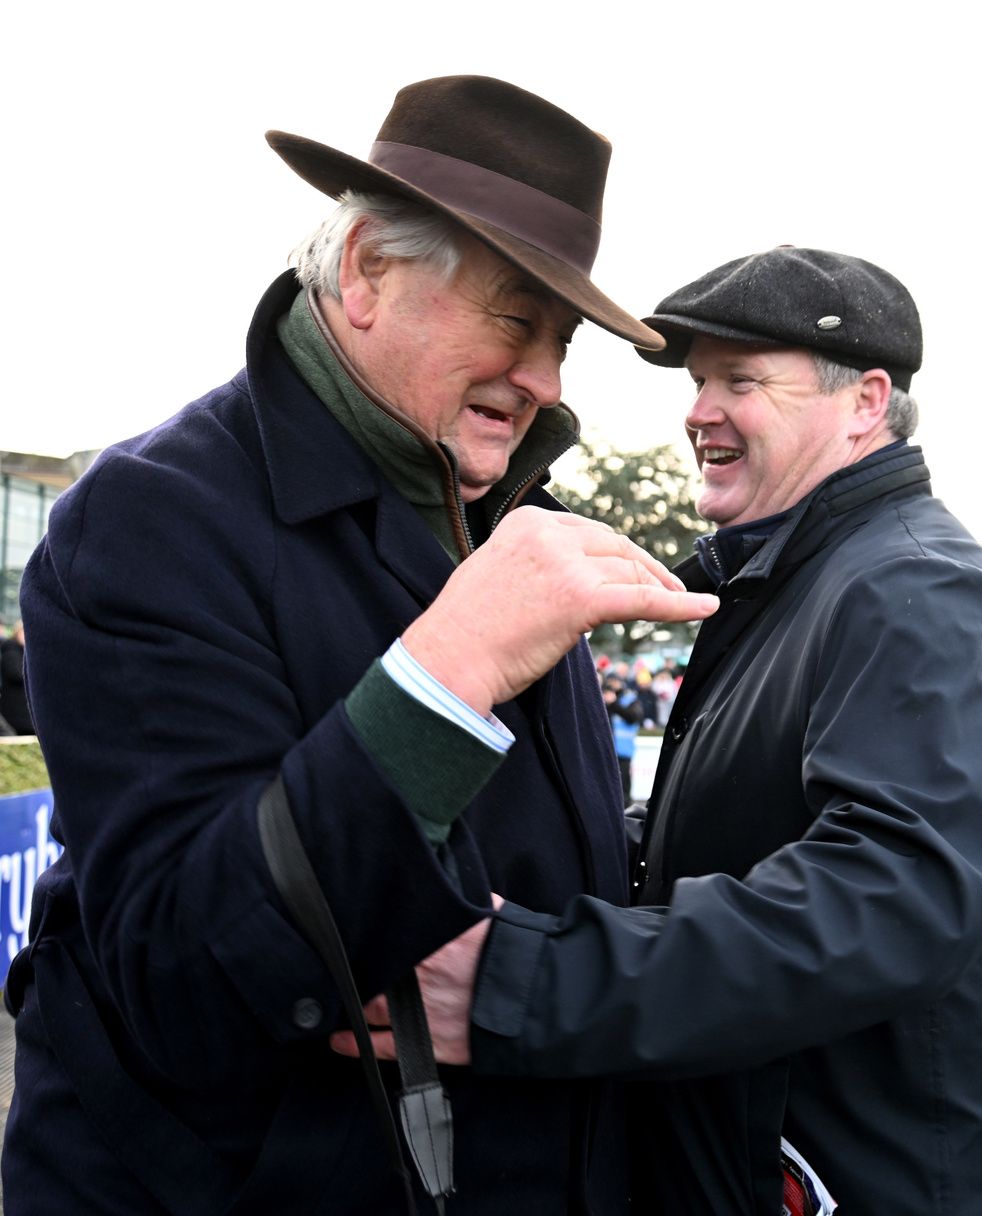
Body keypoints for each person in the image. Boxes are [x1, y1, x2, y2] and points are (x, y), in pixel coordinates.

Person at [1, 76, 715, 1214]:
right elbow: (187, 975)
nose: (546, 379)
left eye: (561, 337)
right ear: (370, 269)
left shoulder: (494, 512)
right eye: (514, 319)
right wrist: (448, 675)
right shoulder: (149, 517)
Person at [357, 247, 982, 1213]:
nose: (698, 410)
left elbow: (891, 900)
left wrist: (525, 981)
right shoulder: (795, 583)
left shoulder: (918, 589)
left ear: (865, 403)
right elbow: (740, 841)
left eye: (741, 380)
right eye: (696, 381)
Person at [602, 672, 641, 803]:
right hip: (605, 749)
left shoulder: (630, 699)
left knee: (623, 787)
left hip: (623, 750)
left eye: (615, 681)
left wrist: (613, 703)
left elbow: (633, 717)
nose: (613, 684)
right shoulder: (601, 698)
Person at [0, 619, 34, 736]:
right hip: (16, 712)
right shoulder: (11, 650)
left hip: (25, 712)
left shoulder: (28, 652)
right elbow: (15, 673)